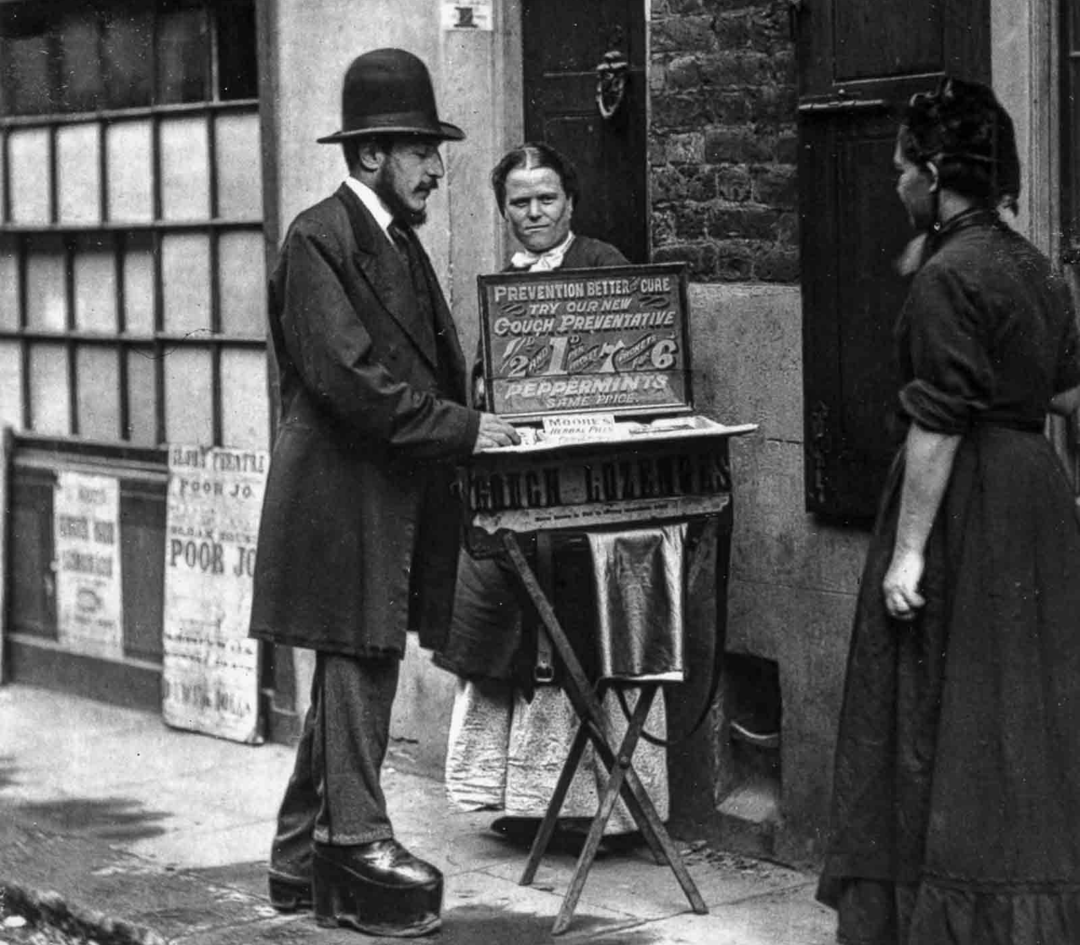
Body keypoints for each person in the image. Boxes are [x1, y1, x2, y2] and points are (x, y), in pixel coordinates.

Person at [248, 48, 519, 939]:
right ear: (371, 156)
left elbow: (425, 367)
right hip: (341, 495)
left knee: (352, 661)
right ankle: (353, 839)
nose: (439, 168)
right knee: (358, 658)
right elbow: (353, 384)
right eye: (421, 150)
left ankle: (298, 862)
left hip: (383, 493)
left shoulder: (392, 240)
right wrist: (467, 430)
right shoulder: (319, 237)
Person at [817, 76, 1080, 944]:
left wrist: (907, 553)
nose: (896, 184)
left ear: (935, 174)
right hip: (1033, 500)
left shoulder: (947, 275)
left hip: (964, 502)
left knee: (941, 706)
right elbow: (1072, 395)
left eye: (902, 168)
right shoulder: (1035, 266)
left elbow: (937, 423)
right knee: (1020, 712)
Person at [435, 142, 671, 846]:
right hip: (524, 487)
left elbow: (640, 364)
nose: (533, 213)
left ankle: (609, 807)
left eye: (546, 199)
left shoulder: (603, 267)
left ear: (570, 202)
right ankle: (529, 801)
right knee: (516, 628)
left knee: (588, 633)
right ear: (503, 210)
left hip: (592, 490)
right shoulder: (500, 285)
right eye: (519, 202)